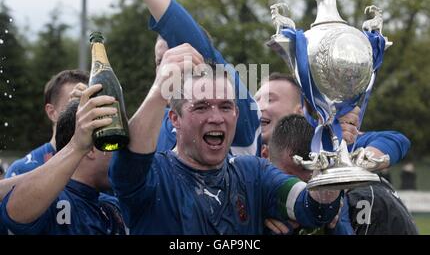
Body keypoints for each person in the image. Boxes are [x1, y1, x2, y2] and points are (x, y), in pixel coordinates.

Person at [108, 39, 344, 234]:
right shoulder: (155, 175)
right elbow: (128, 161)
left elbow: (312, 209)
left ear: (237, 113)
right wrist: (161, 88)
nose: (216, 117)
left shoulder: (253, 173)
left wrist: (329, 184)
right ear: (174, 119)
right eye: (201, 107)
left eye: (225, 106)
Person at [90, 0, 261, 157]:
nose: (165, 68)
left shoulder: (234, 105)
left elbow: (182, 31)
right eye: (160, 61)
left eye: (176, 57)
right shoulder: (155, 124)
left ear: (203, 64)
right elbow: (124, 174)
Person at [0, 85, 125, 235]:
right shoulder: (49, 200)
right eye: (113, 142)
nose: (121, 152)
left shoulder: (111, 205)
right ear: (91, 148)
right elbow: (15, 209)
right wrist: (76, 146)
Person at [267, 114, 418, 235]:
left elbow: (396, 140)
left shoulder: (328, 142)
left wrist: (344, 175)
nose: (263, 105)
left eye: (307, 180)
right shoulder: (254, 169)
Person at [256, 72, 410, 168]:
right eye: (255, 101)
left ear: (300, 112)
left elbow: (395, 140)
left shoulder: (328, 141)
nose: (258, 107)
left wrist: (360, 163)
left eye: (269, 100)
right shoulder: (244, 151)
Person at [5, 69, 89, 178]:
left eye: (88, 103)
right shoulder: (23, 170)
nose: (82, 112)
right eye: (75, 104)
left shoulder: (103, 166)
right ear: (52, 112)